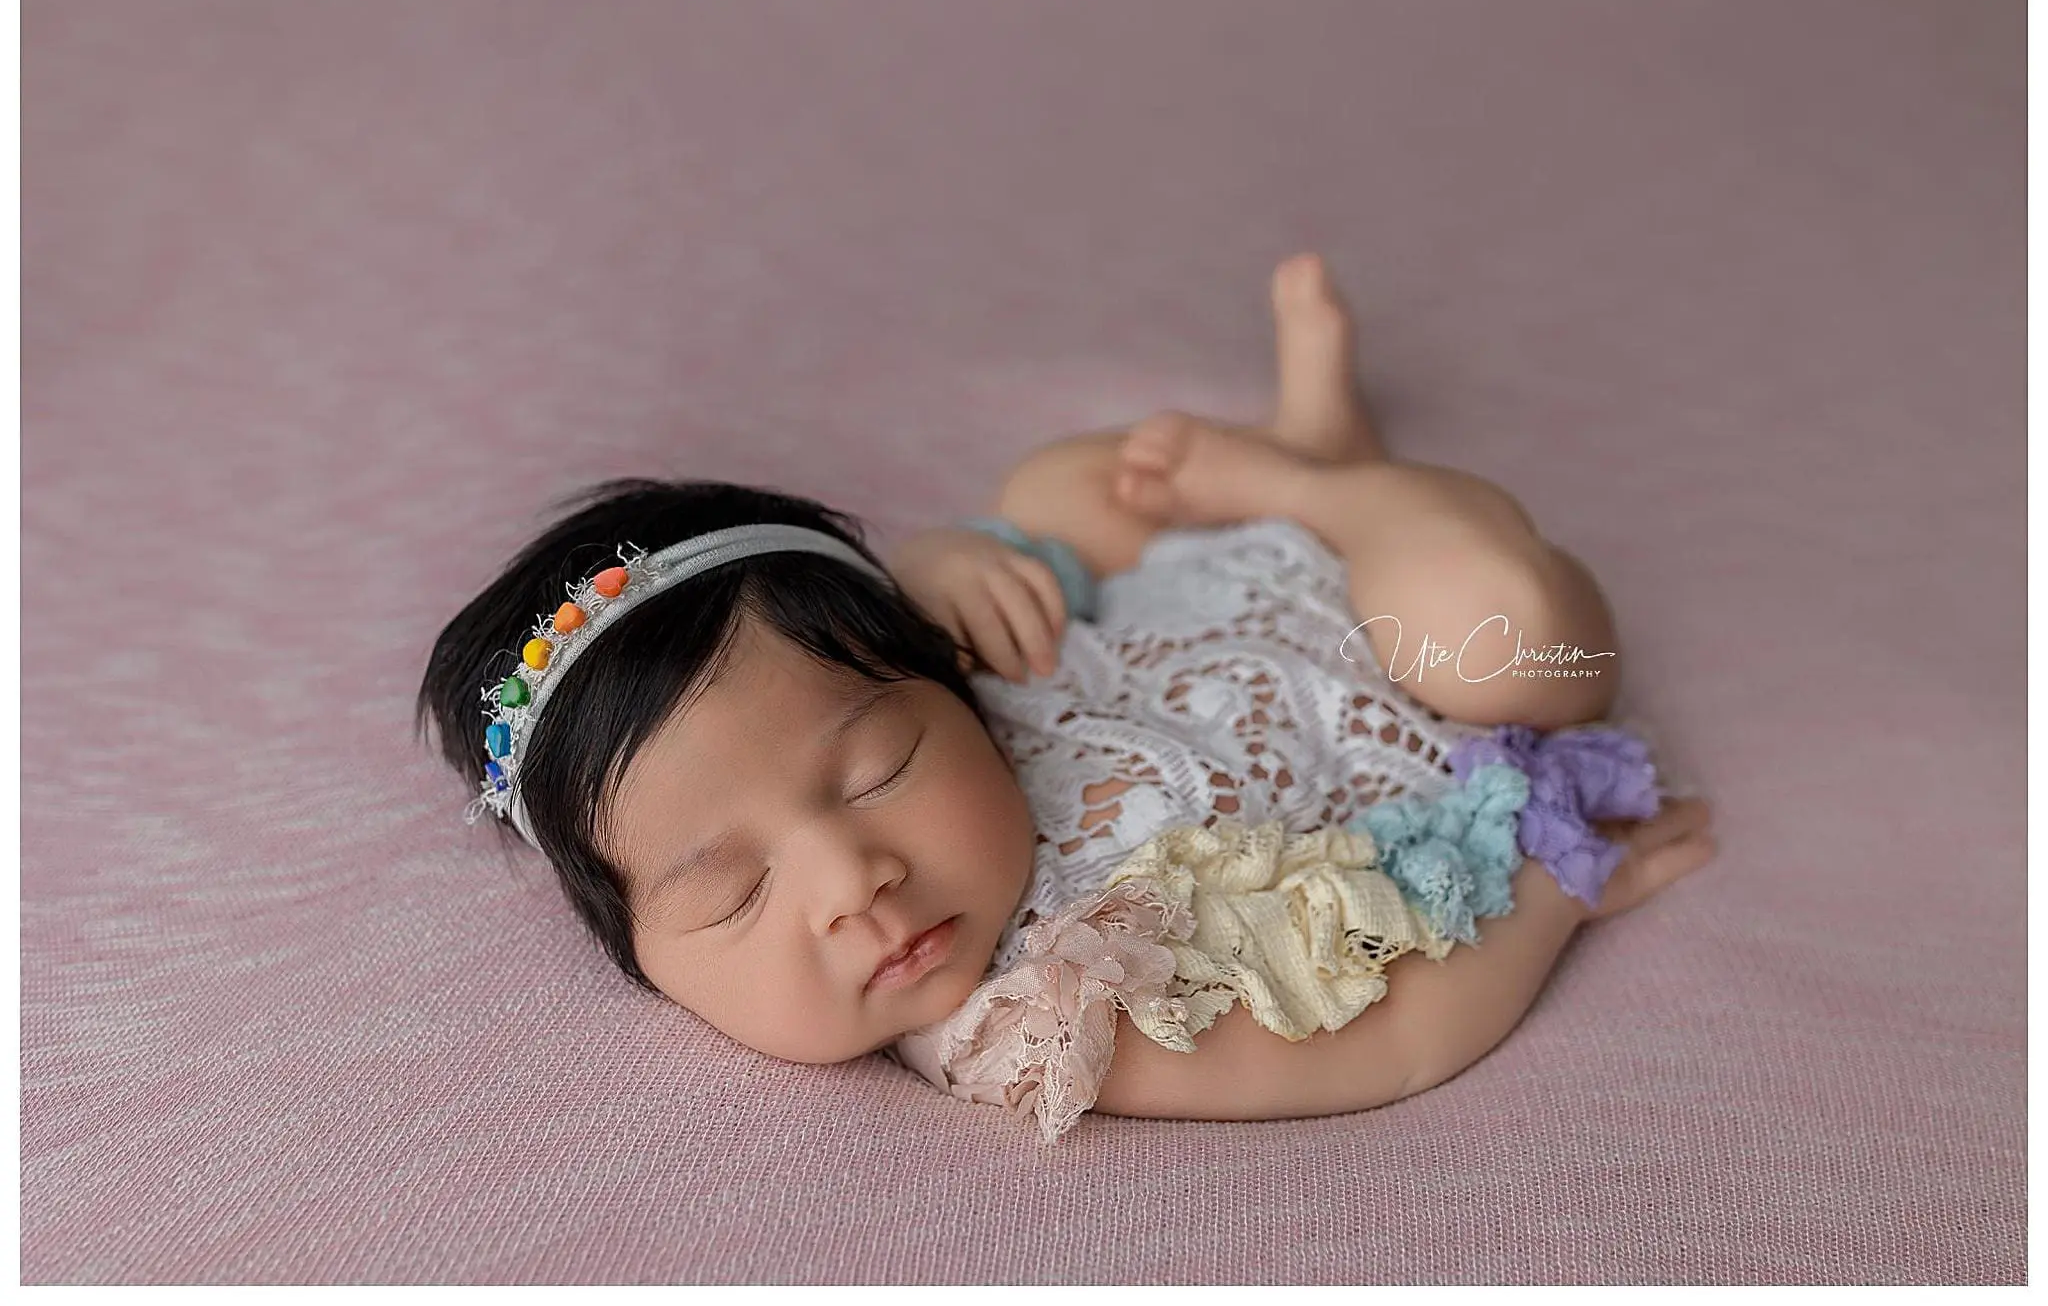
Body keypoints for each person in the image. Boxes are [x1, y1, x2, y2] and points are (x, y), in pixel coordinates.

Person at [415, 253, 1717, 1146]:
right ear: (644, 962)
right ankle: (1336, 480)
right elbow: (1390, 1047)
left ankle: (1304, 457)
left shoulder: (956, 661)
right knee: (1518, 642)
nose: (853, 876)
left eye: (877, 767)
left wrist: (947, 568)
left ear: (931, 682)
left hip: (1212, 593)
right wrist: (1554, 887)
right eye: (732, 894)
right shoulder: (1054, 1011)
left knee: (1053, 498)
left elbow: (937, 607)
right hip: (1427, 668)